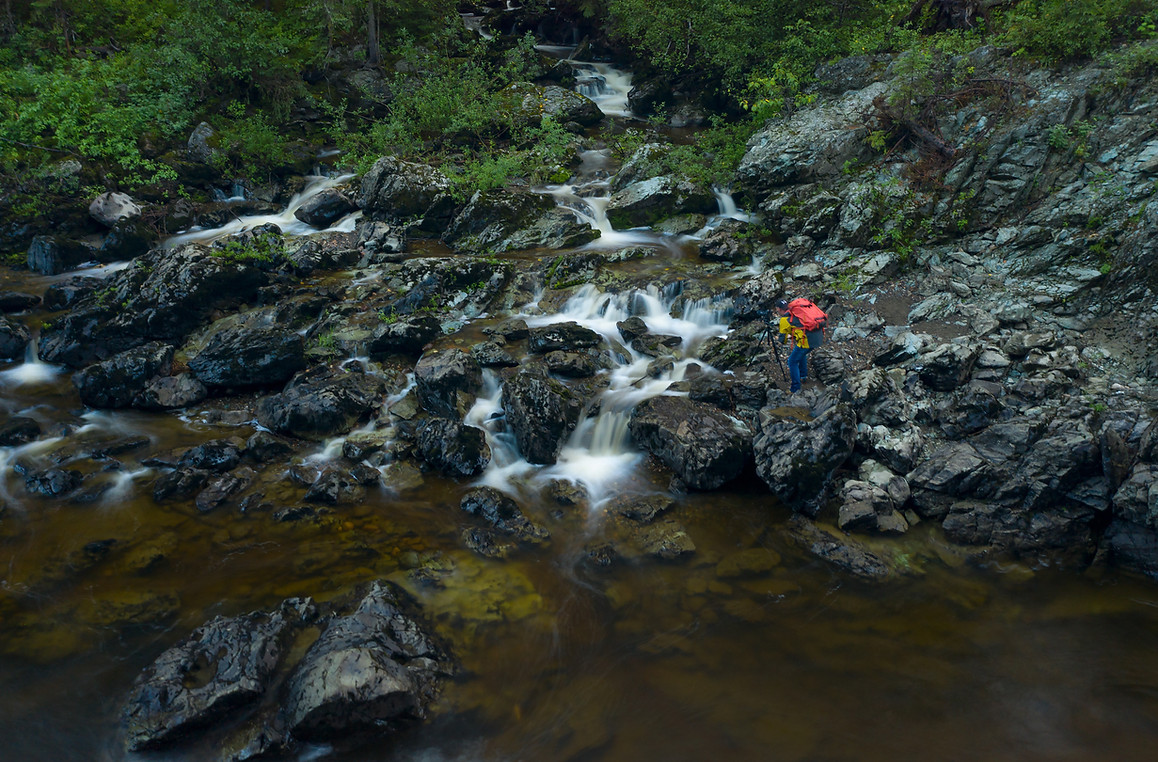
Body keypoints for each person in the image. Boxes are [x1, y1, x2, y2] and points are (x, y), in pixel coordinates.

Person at [776, 298, 811, 393]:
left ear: (779, 309)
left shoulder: (784, 319)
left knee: (792, 361)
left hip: (806, 341)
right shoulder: (796, 312)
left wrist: (782, 336)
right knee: (800, 353)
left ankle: (795, 388)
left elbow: (782, 340)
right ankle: (803, 376)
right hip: (816, 336)